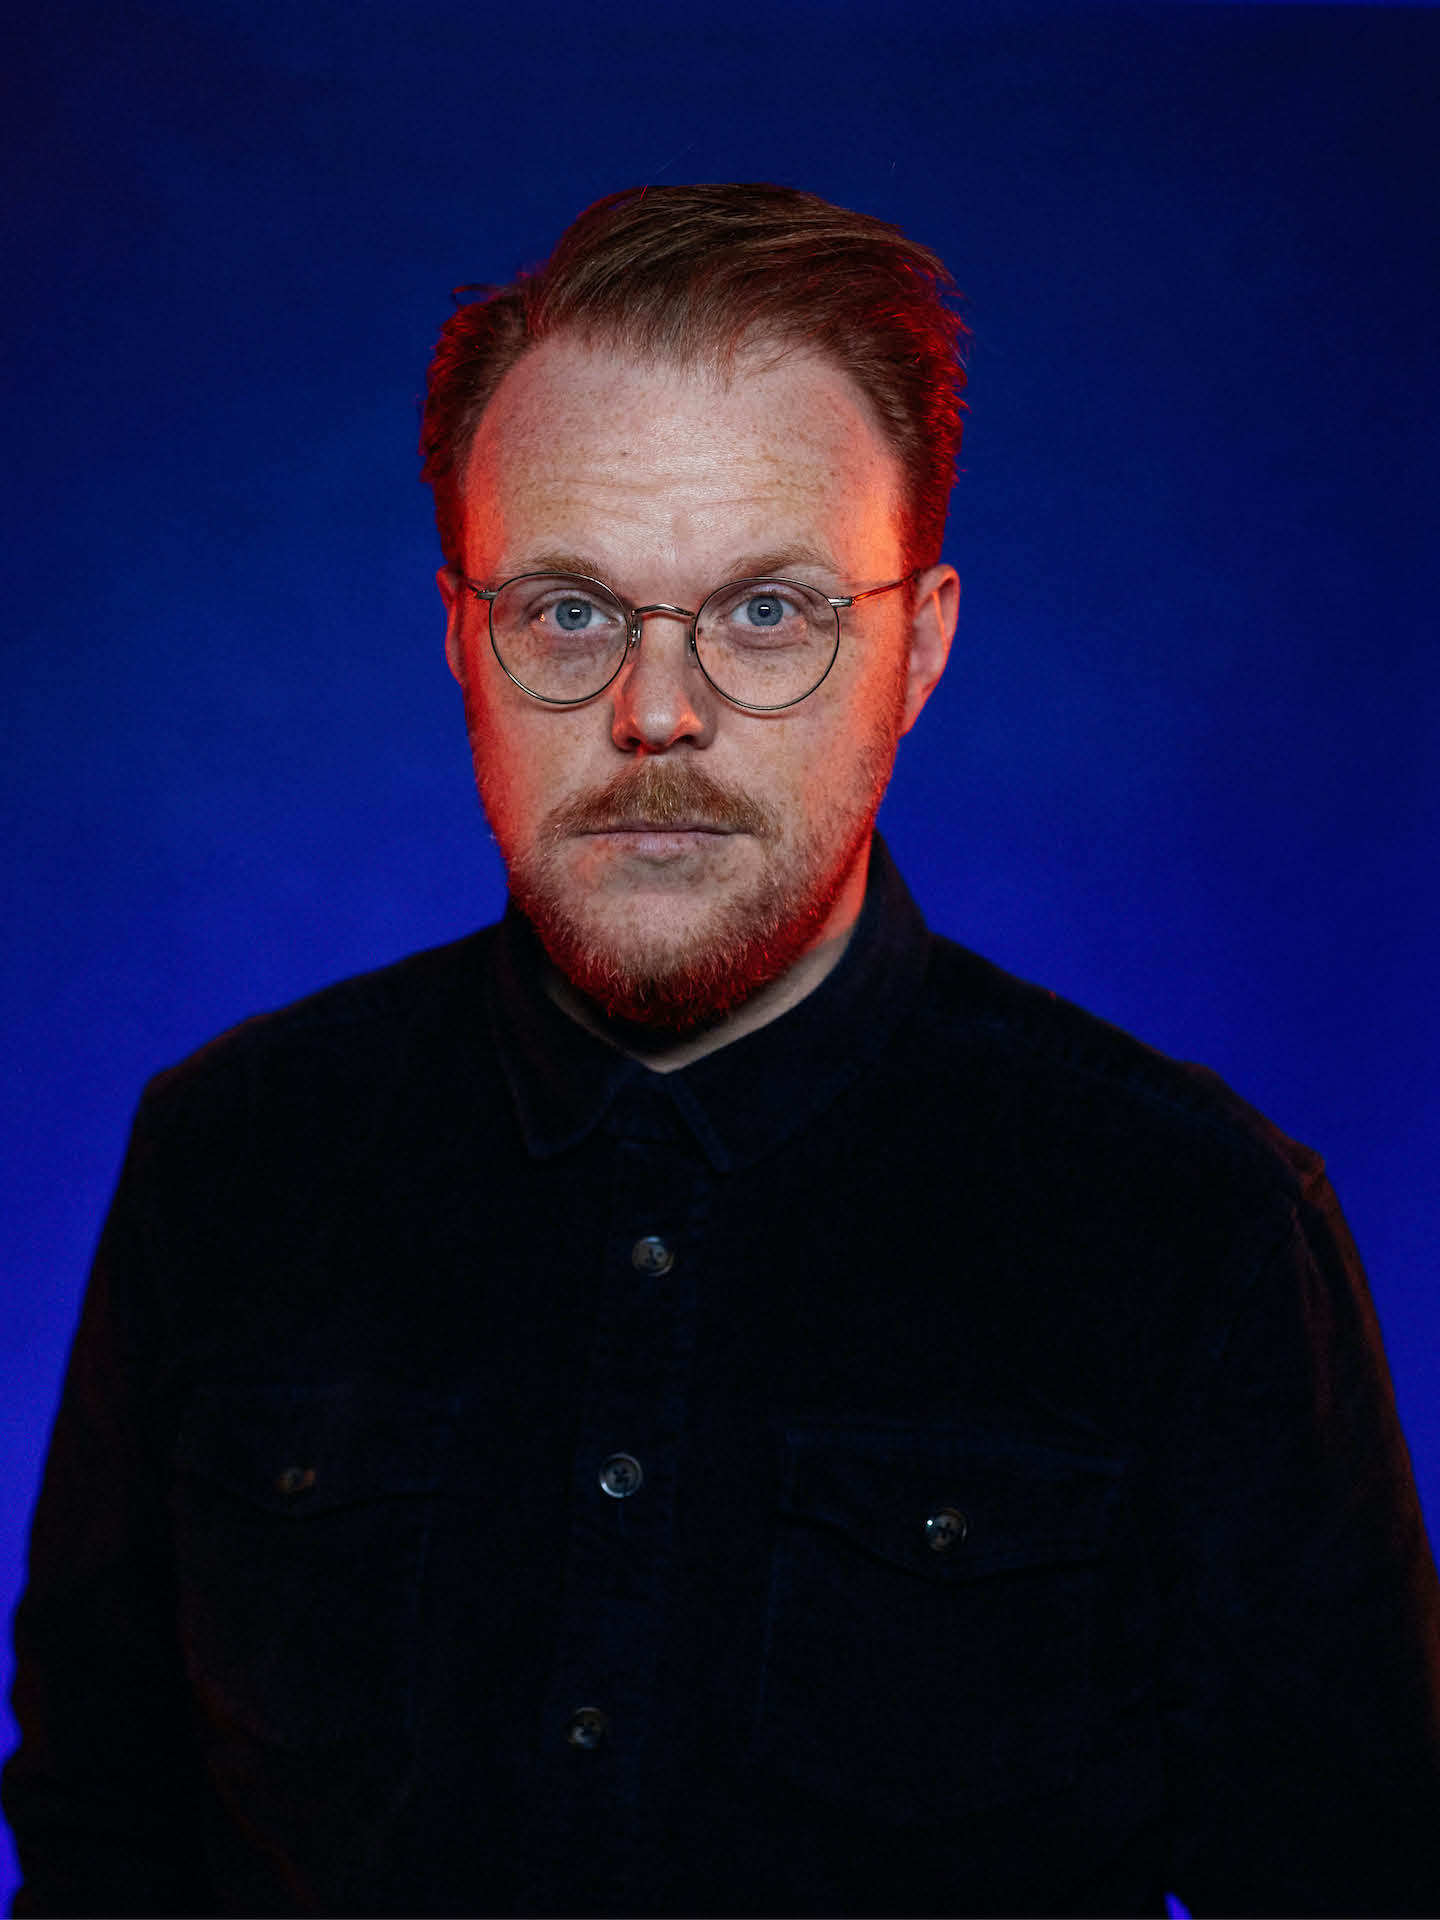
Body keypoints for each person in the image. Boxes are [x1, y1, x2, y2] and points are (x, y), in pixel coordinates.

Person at [5, 183, 1439, 1920]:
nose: (658, 711)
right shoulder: (228, 1157)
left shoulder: (1198, 1225)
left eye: (768, 611)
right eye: (569, 610)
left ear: (919, 647)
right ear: (462, 639)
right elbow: (96, 1840)